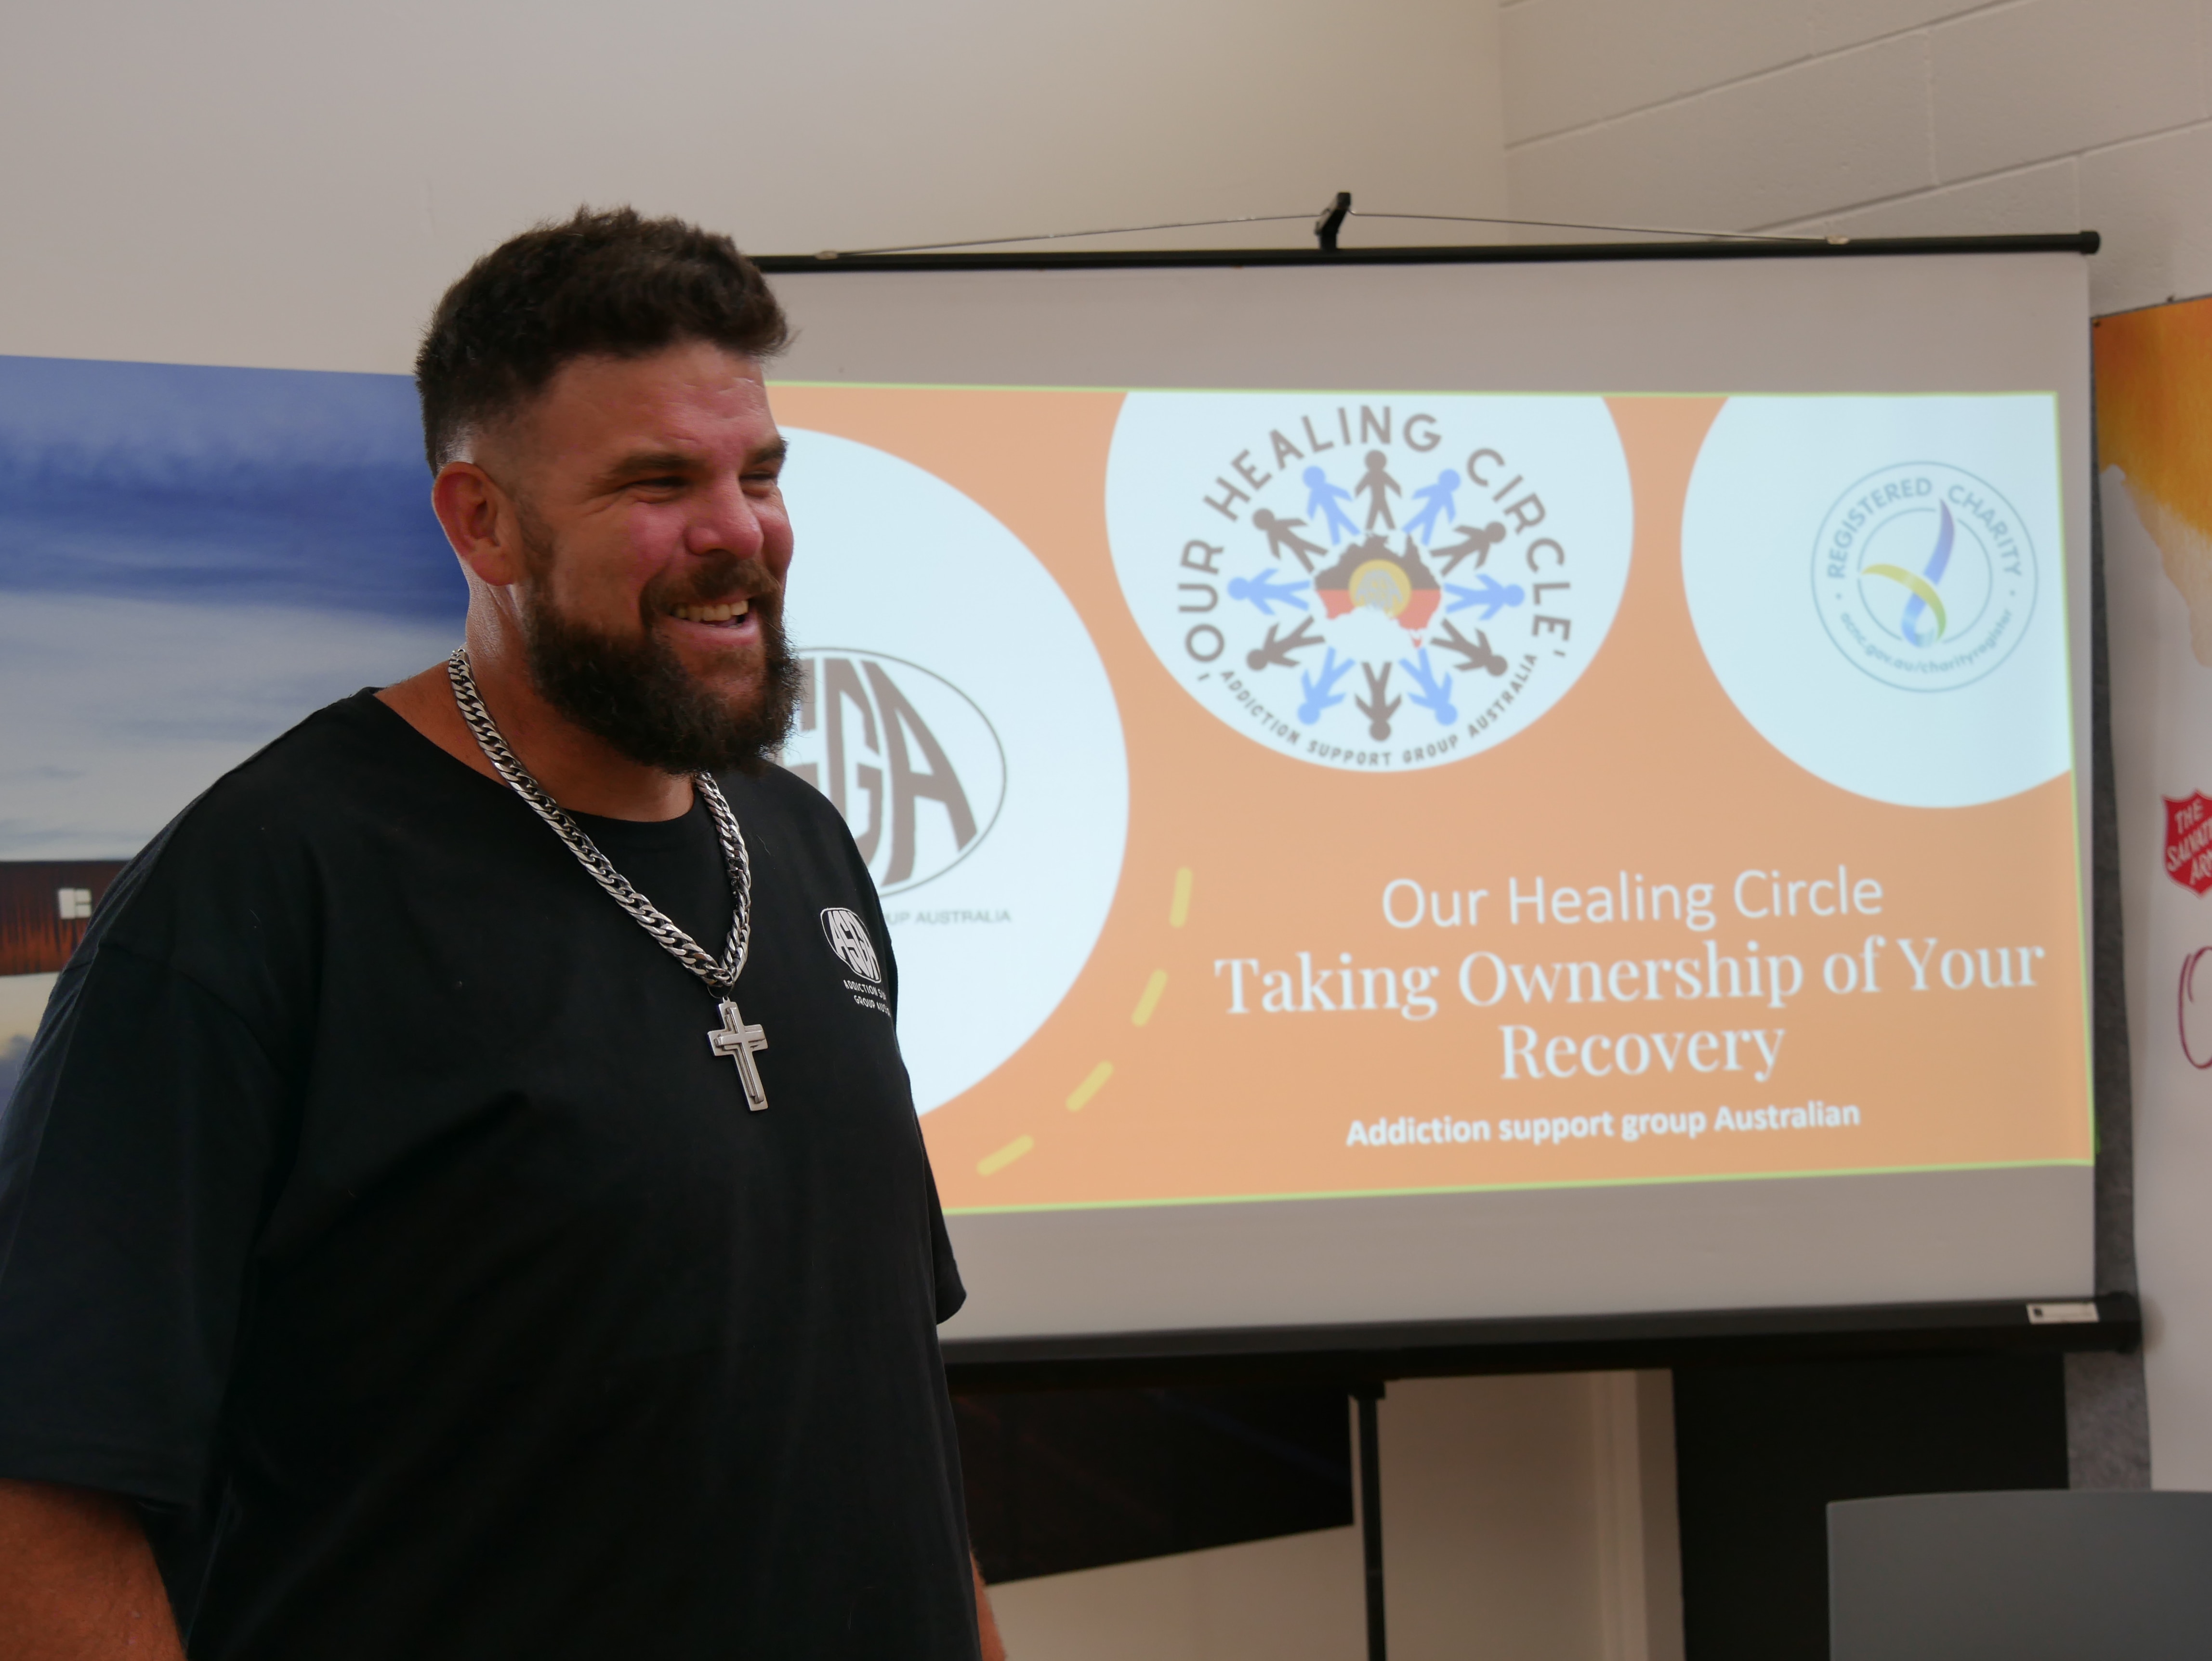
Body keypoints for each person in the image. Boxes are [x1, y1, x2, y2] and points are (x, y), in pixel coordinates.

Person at [0, 207, 1007, 1660]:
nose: (739, 531)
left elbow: (881, 1408)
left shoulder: (802, 848)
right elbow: (43, 1488)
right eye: (659, 481)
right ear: (482, 521)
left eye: (760, 472)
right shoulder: (265, 892)